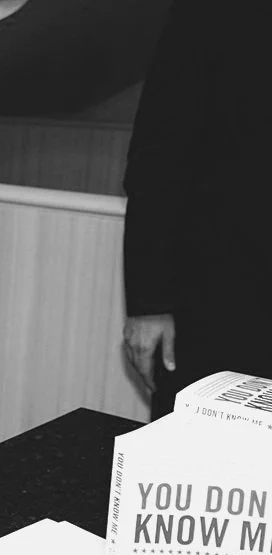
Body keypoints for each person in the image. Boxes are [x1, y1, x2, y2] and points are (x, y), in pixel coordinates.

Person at [121, 0, 270, 419]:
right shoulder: (212, 13)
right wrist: (147, 304)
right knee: (196, 460)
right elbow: (157, 162)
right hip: (220, 299)